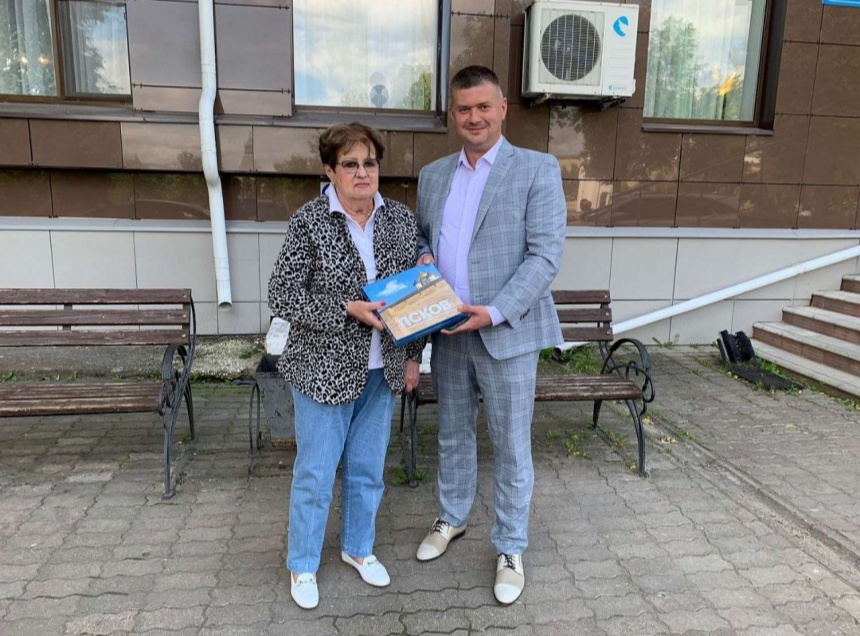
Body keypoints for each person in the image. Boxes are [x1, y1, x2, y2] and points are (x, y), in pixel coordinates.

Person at [413, 66, 566, 605]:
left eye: (483, 106)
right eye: (464, 108)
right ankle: (453, 516)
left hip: (507, 332)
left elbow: (545, 254)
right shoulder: (433, 175)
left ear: (503, 108)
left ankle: (510, 546)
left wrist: (496, 311)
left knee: (510, 444)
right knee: (452, 432)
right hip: (449, 331)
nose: (474, 117)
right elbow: (422, 239)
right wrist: (424, 258)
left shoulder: (537, 169)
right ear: (452, 115)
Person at [268, 122, 423, 610]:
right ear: (330, 171)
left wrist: (413, 357)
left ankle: (358, 548)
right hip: (321, 371)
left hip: (383, 368)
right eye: (350, 164)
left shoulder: (399, 220)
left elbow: (415, 296)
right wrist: (345, 309)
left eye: (369, 163)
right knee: (315, 474)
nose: (362, 172)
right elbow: (282, 295)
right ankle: (303, 564)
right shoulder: (309, 222)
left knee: (368, 470)